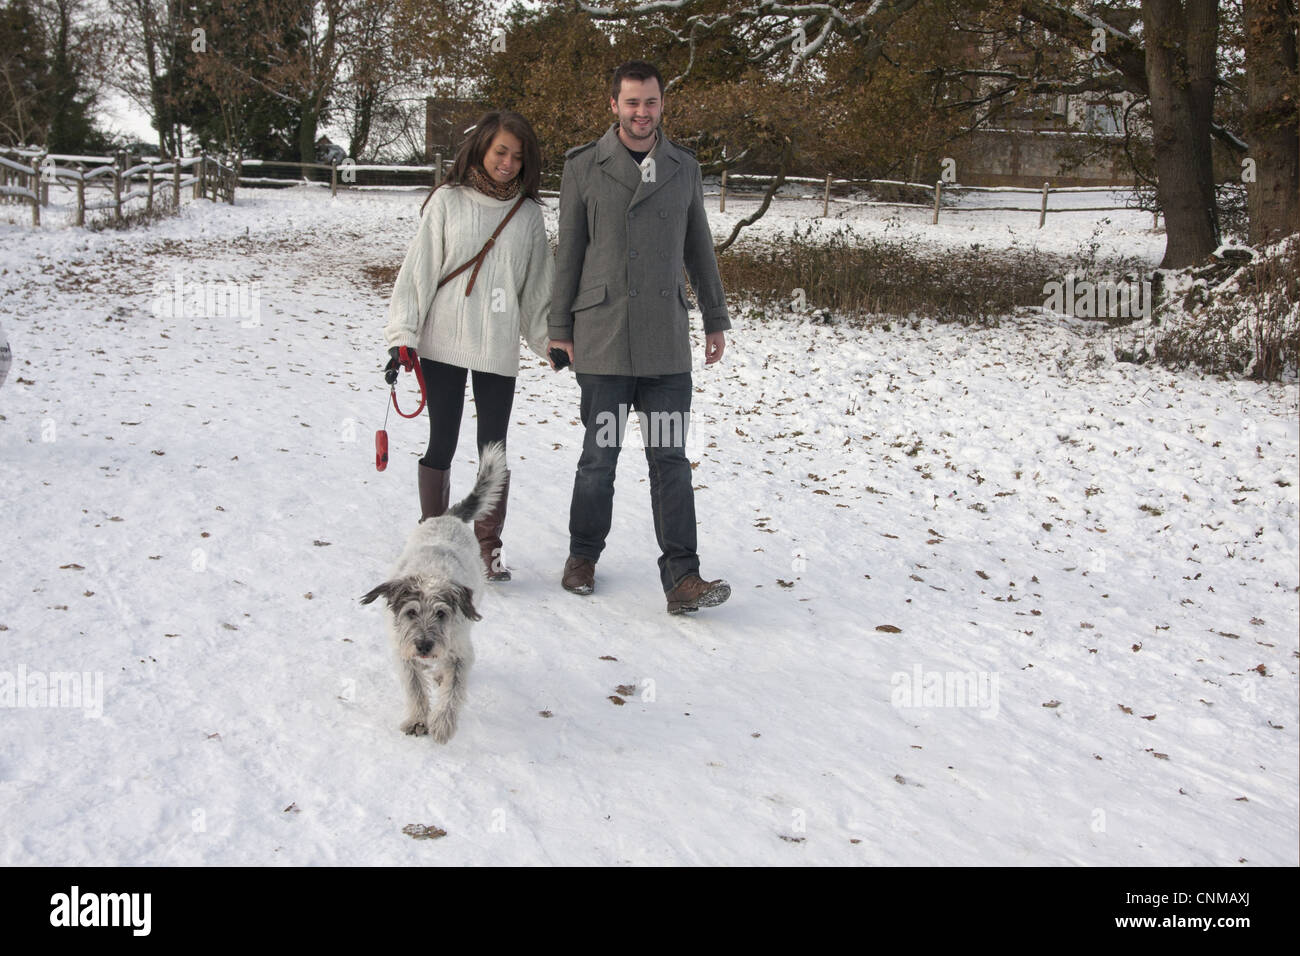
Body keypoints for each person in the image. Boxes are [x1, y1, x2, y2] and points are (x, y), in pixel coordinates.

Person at [548, 61, 732, 615]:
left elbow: (699, 247)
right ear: (614, 105)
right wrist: (559, 329)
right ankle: (583, 555)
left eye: (650, 102)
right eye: (631, 102)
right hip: (603, 339)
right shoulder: (583, 167)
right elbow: (569, 254)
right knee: (599, 457)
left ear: (661, 105)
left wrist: (715, 317)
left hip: (664, 347)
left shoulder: (683, 168)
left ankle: (683, 577)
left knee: (670, 458)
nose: (641, 112)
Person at [384, 110, 553, 581]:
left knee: (492, 449)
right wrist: (403, 336)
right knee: (443, 440)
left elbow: (538, 287)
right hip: (442, 342)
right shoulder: (448, 202)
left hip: (497, 345)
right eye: (501, 151)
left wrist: (547, 341)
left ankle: (486, 548)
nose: (508, 163)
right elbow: (417, 273)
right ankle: (434, 542)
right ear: (481, 147)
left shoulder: (528, 215)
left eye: (518, 157)